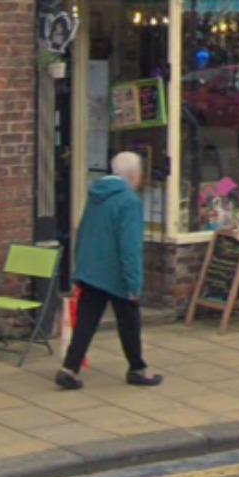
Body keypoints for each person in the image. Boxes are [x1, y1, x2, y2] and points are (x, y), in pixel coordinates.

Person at [58, 151, 164, 389]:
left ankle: (69, 368)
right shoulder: (129, 202)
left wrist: (80, 269)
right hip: (115, 273)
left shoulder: (96, 196)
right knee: (129, 321)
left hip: (91, 271)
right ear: (134, 175)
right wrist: (133, 282)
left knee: (86, 322)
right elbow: (130, 246)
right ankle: (137, 369)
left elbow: (84, 231)